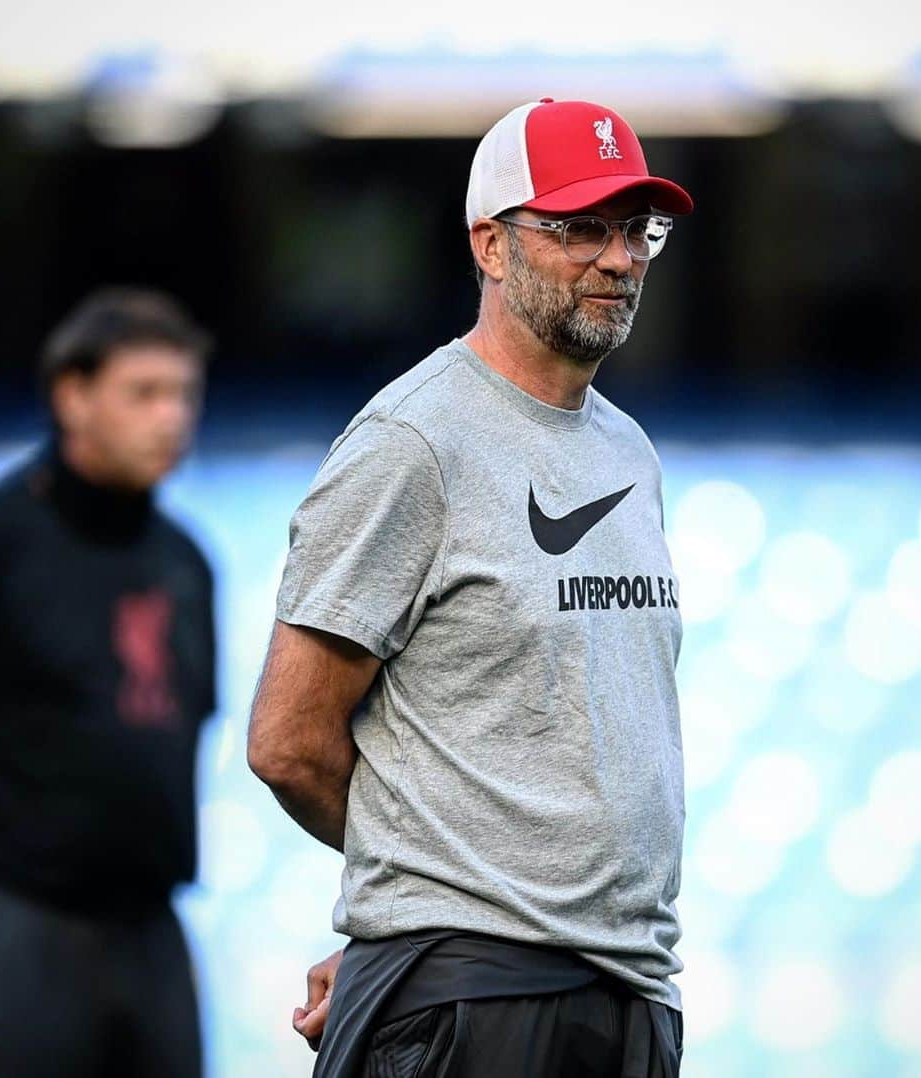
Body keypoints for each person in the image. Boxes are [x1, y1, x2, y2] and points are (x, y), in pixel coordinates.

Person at [248, 98, 693, 1077]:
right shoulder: (414, 442)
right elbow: (289, 742)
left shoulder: (629, 449)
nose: (620, 259)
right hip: (473, 1004)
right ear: (491, 246)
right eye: (584, 226)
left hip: (630, 989)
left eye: (637, 229)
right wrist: (427, 919)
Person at [0, 288, 216, 1078]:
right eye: (146, 393)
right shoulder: (8, 541)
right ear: (73, 396)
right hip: (25, 926)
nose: (172, 417)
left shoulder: (185, 562)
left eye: (184, 394)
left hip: (153, 929)